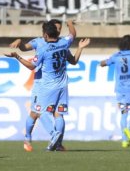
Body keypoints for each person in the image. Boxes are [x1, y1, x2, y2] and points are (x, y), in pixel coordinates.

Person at [9, 20, 80, 151]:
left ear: (46, 33)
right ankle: (30, 139)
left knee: (40, 112)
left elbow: (32, 65)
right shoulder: (60, 42)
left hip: (46, 85)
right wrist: (20, 43)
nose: (59, 31)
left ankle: (54, 139)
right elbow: (73, 35)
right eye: (57, 29)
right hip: (53, 84)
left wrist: (17, 57)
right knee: (36, 113)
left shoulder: (46, 47)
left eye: (60, 29)